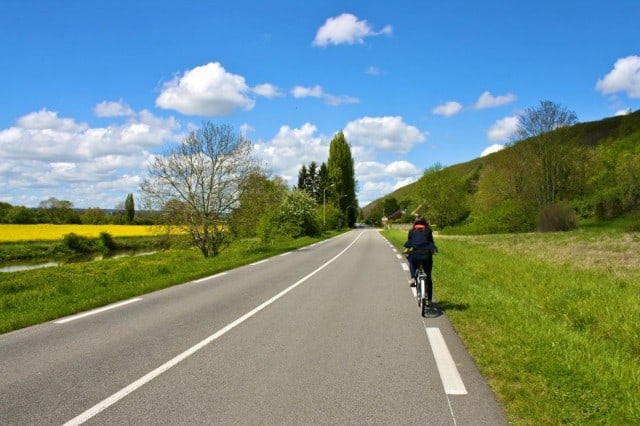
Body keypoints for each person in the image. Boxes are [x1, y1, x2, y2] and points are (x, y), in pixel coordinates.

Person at [404, 216, 437, 305]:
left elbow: (409, 242)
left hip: (415, 255)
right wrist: (433, 250)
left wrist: (407, 249)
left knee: (411, 261)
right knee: (428, 277)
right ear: (425, 223)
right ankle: (429, 300)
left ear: (415, 223)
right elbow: (431, 242)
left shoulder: (412, 231)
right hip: (427, 256)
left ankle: (413, 278)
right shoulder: (428, 230)